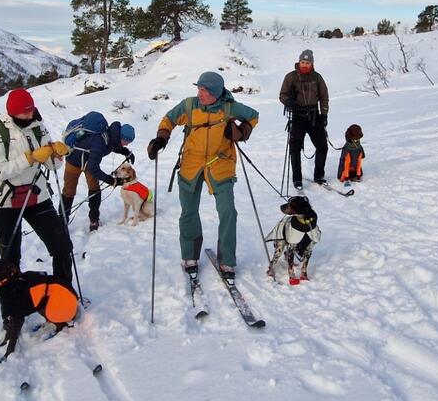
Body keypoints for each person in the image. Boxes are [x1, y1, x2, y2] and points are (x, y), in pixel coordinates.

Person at [146, 71, 258, 278]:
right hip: (191, 164)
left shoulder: (229, 107)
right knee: (188, 212)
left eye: (205, 90)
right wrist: (161, 138)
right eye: (199, 88)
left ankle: (227, 260)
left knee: (228, 212)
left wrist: (241, 132)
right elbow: (168, 119)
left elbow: (253, 116)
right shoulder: (189, 105)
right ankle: (190, 255)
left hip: (221, 164)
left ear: (216, 93)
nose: (200, 94)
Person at [0, 88, 74, 292]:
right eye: (24, 112)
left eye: (31, 110)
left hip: (37, 194)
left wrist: (57, 155)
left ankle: (63, 294)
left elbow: (52, 167)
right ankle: (13, 308)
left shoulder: (38, 127)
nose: (29, 115)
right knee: (9, 258)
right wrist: (30, 158)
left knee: (62, 246)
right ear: (12, 112)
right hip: (5, 200)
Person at [60, 116, 136, 232]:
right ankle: (61, 222)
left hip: (89, 161)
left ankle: (94, 219)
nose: (127, 145)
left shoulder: (111, 135)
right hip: (74, 161)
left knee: (94, 188)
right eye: (126, 142)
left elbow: (112, 146)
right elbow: (94, 168)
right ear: (121, 136)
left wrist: (125, 152)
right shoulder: (99, 141)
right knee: (69, 192)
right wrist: (112, 180)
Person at [278, 49, 330, 190]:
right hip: (297, 116)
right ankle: (297, 179)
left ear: (312, 64)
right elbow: (282, 95)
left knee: (322, 147)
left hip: (314, 116)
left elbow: (324, 97)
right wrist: (289, 101)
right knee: (295, 148)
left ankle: (319, 176)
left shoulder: (317, 78)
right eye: (302, 62)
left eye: (307, 62)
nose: (304, 65)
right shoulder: (291, 77)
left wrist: (324, 114)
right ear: (299, 62)